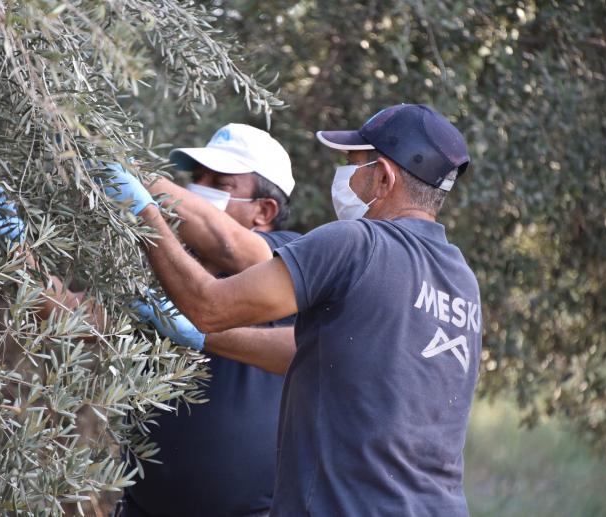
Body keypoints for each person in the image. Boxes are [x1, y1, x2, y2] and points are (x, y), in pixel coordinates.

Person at [115, 104, 483, 516]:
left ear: (383, 176)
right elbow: (315, 350)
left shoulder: (355, 243)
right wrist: (206, 337)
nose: (344, 175)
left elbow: (207, 307)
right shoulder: (460, 280)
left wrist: (142, 208)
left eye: (353, 163)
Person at [0, 123, 301, 517]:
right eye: (197, 178)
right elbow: (67, 314)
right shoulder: (165, 275)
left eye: (219, 183)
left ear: (264, 211)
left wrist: (110, 170)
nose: (199, 189)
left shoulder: (287, 263)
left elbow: (223, 238)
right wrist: (14, 243)